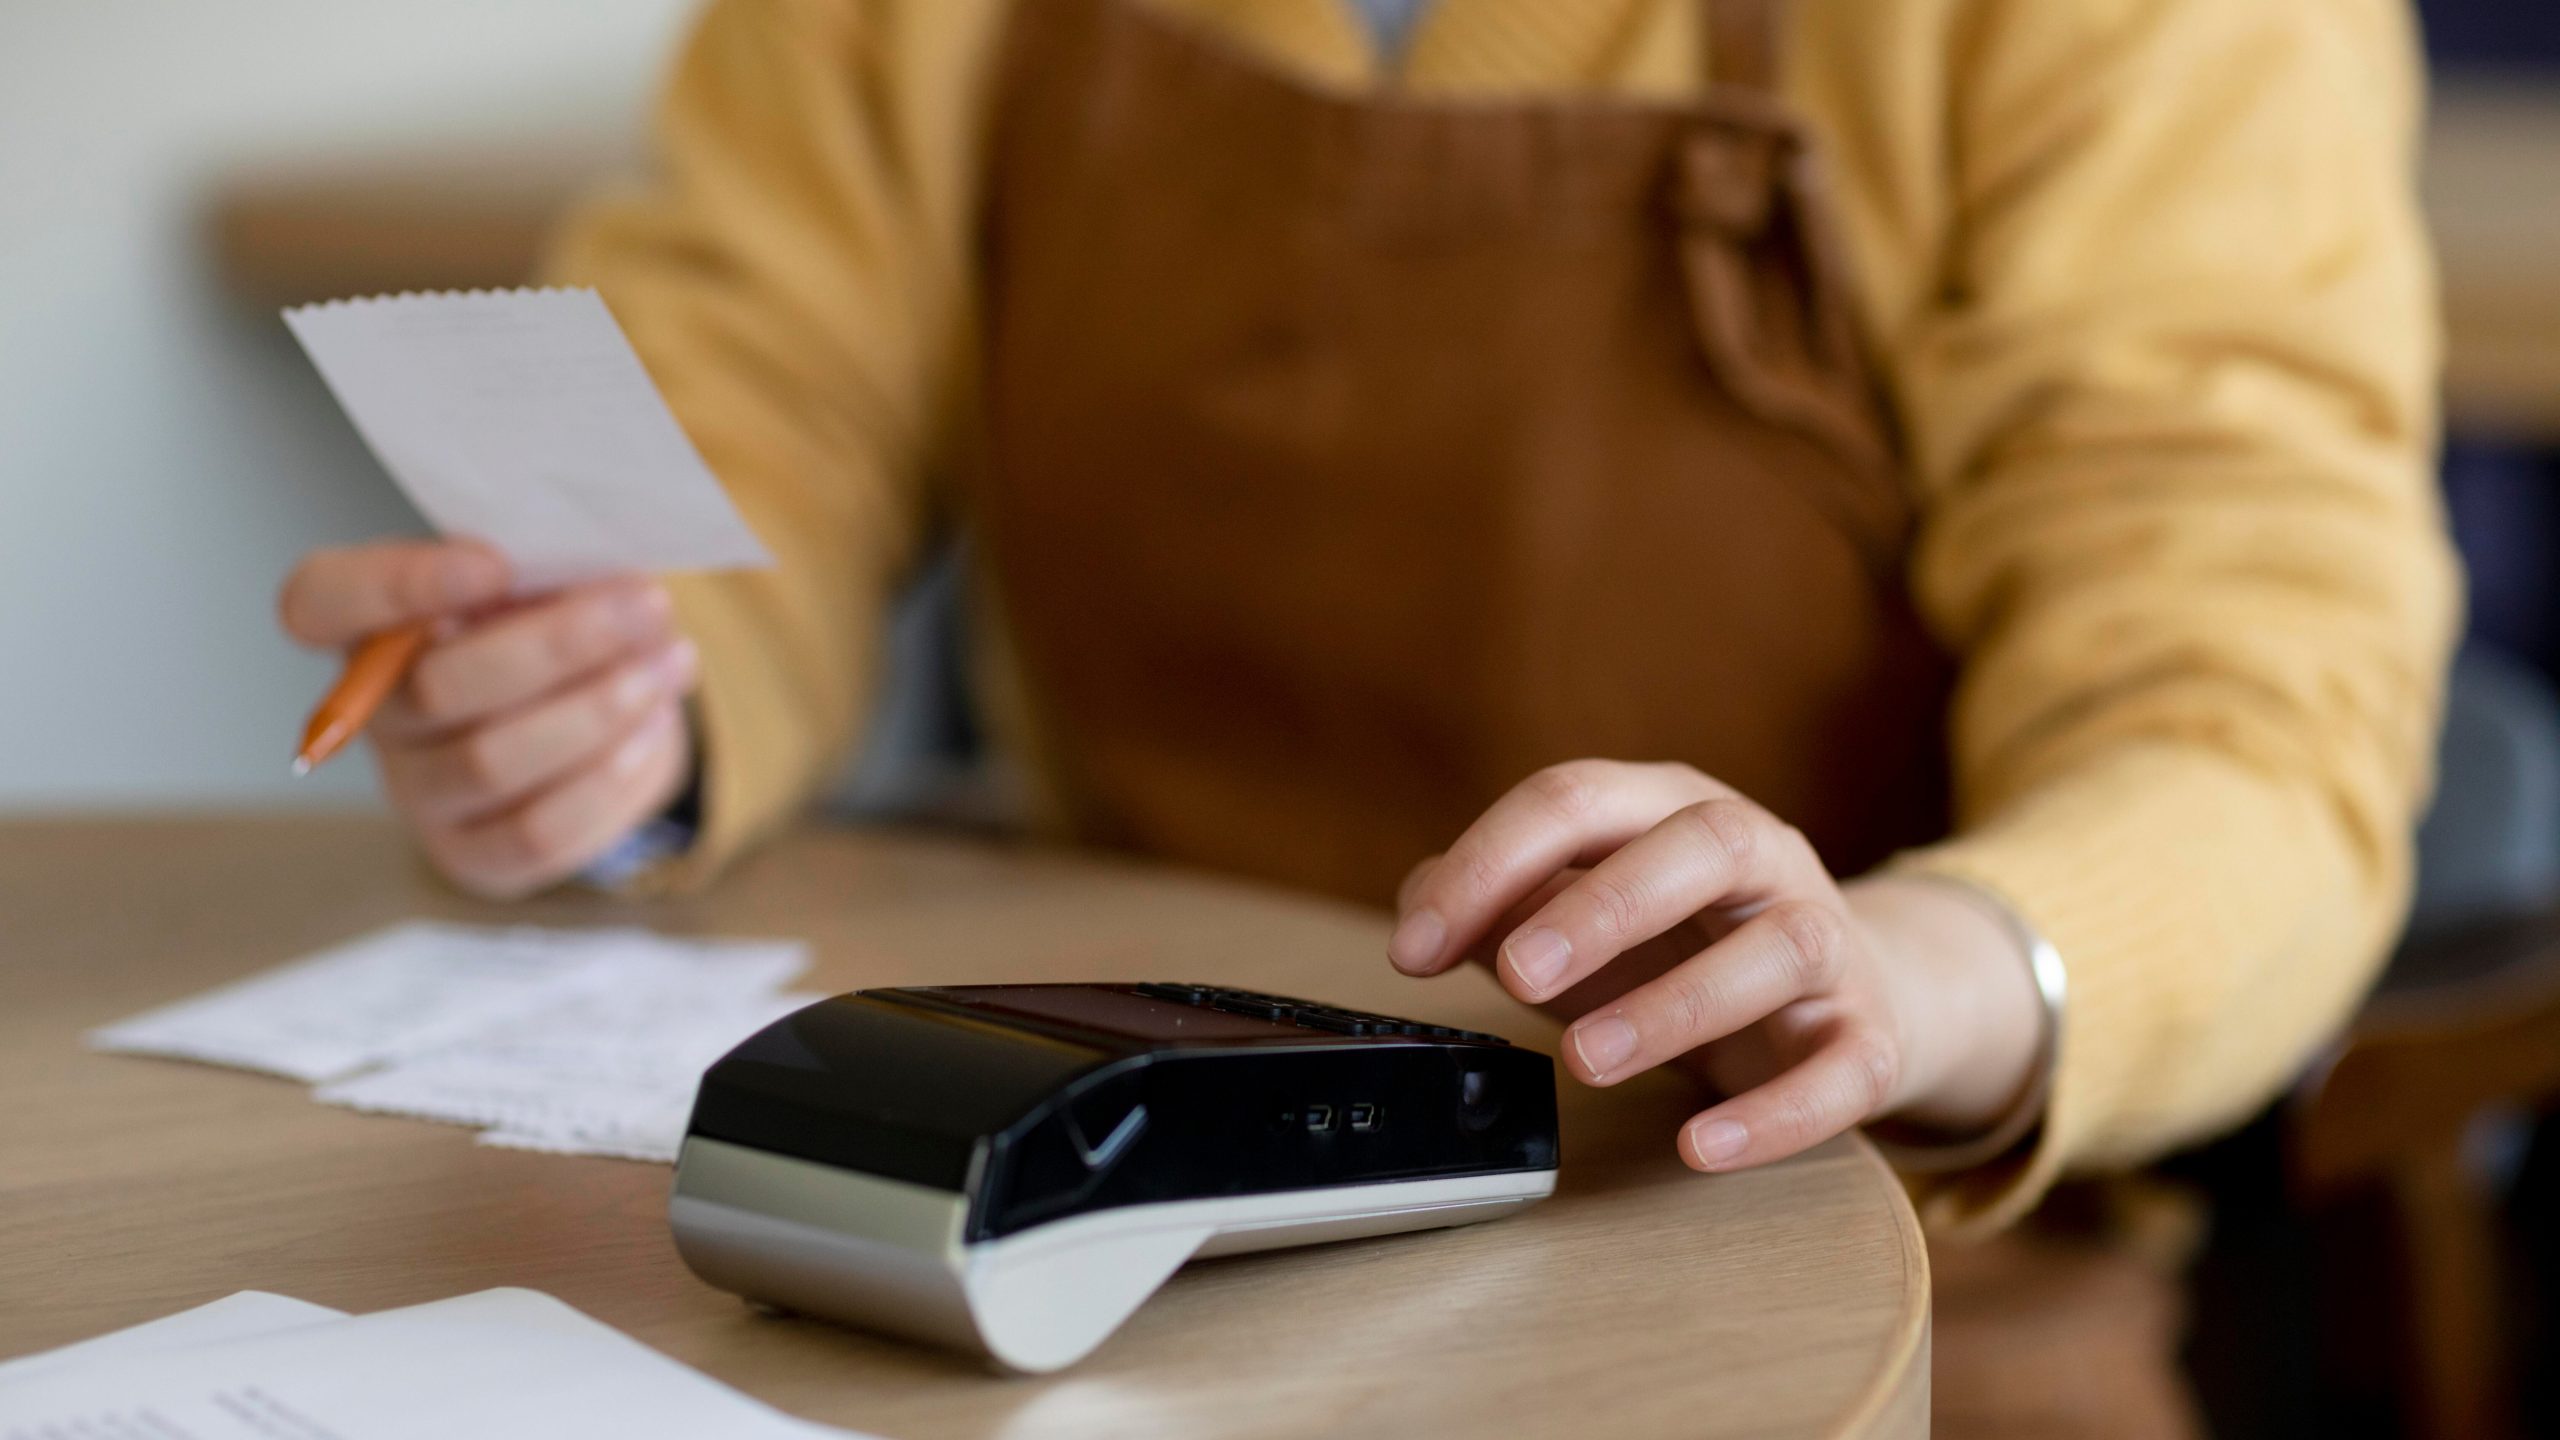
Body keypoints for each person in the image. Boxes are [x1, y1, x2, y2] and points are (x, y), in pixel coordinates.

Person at [277, 0, 2455, 1427]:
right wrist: (614, 703)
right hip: (1085, 1275)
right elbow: (759, 386)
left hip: (1826, 1298)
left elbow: (2256, 702)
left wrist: (1920, 967)